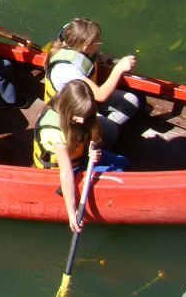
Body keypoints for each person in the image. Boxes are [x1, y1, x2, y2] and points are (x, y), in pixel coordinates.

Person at [33, 80, 130, 232]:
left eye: (85, 116)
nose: (82, 121)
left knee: (125, 161)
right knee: (119, 173)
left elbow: (87, 137)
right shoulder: (55, 133)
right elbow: (65, 172)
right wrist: (71, 212)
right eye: (78, 116)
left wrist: (93, 151)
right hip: (70, 169)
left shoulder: (75, 114)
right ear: (67, 108)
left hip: (81, 157)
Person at [43, 17, 141, 145]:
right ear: (86, 46)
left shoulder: (68, 41)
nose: (99, 43)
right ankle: (93, 138)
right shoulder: (67, 70)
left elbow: (87, 55)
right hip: (71, 108)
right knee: (111, 133)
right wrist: (118, 69)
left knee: (131, 101)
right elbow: (100, 96)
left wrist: (103, 58)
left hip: (85, 95)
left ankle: (97, 127)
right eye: (96, 42)